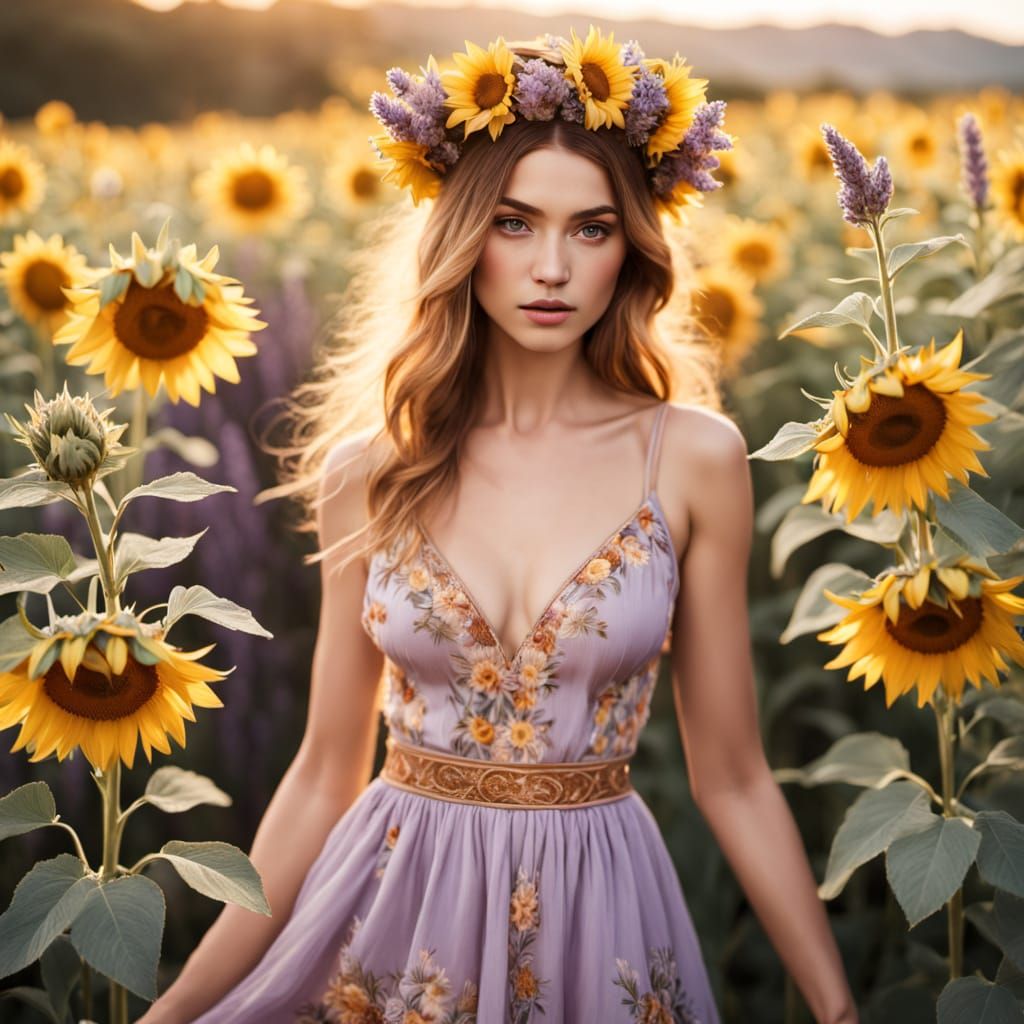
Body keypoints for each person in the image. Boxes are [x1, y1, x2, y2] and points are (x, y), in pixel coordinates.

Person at [138, 28, 858, 1024]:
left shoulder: (694, 460)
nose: (551, 266)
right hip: (396, 917)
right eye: (515, 224)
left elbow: (732, 775)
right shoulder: (369, 473)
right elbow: (320, 772)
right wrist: (177, 1006)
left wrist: (836, 1005)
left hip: (599, 917)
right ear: (462, 235)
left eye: (592, 229)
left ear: (632, 247)